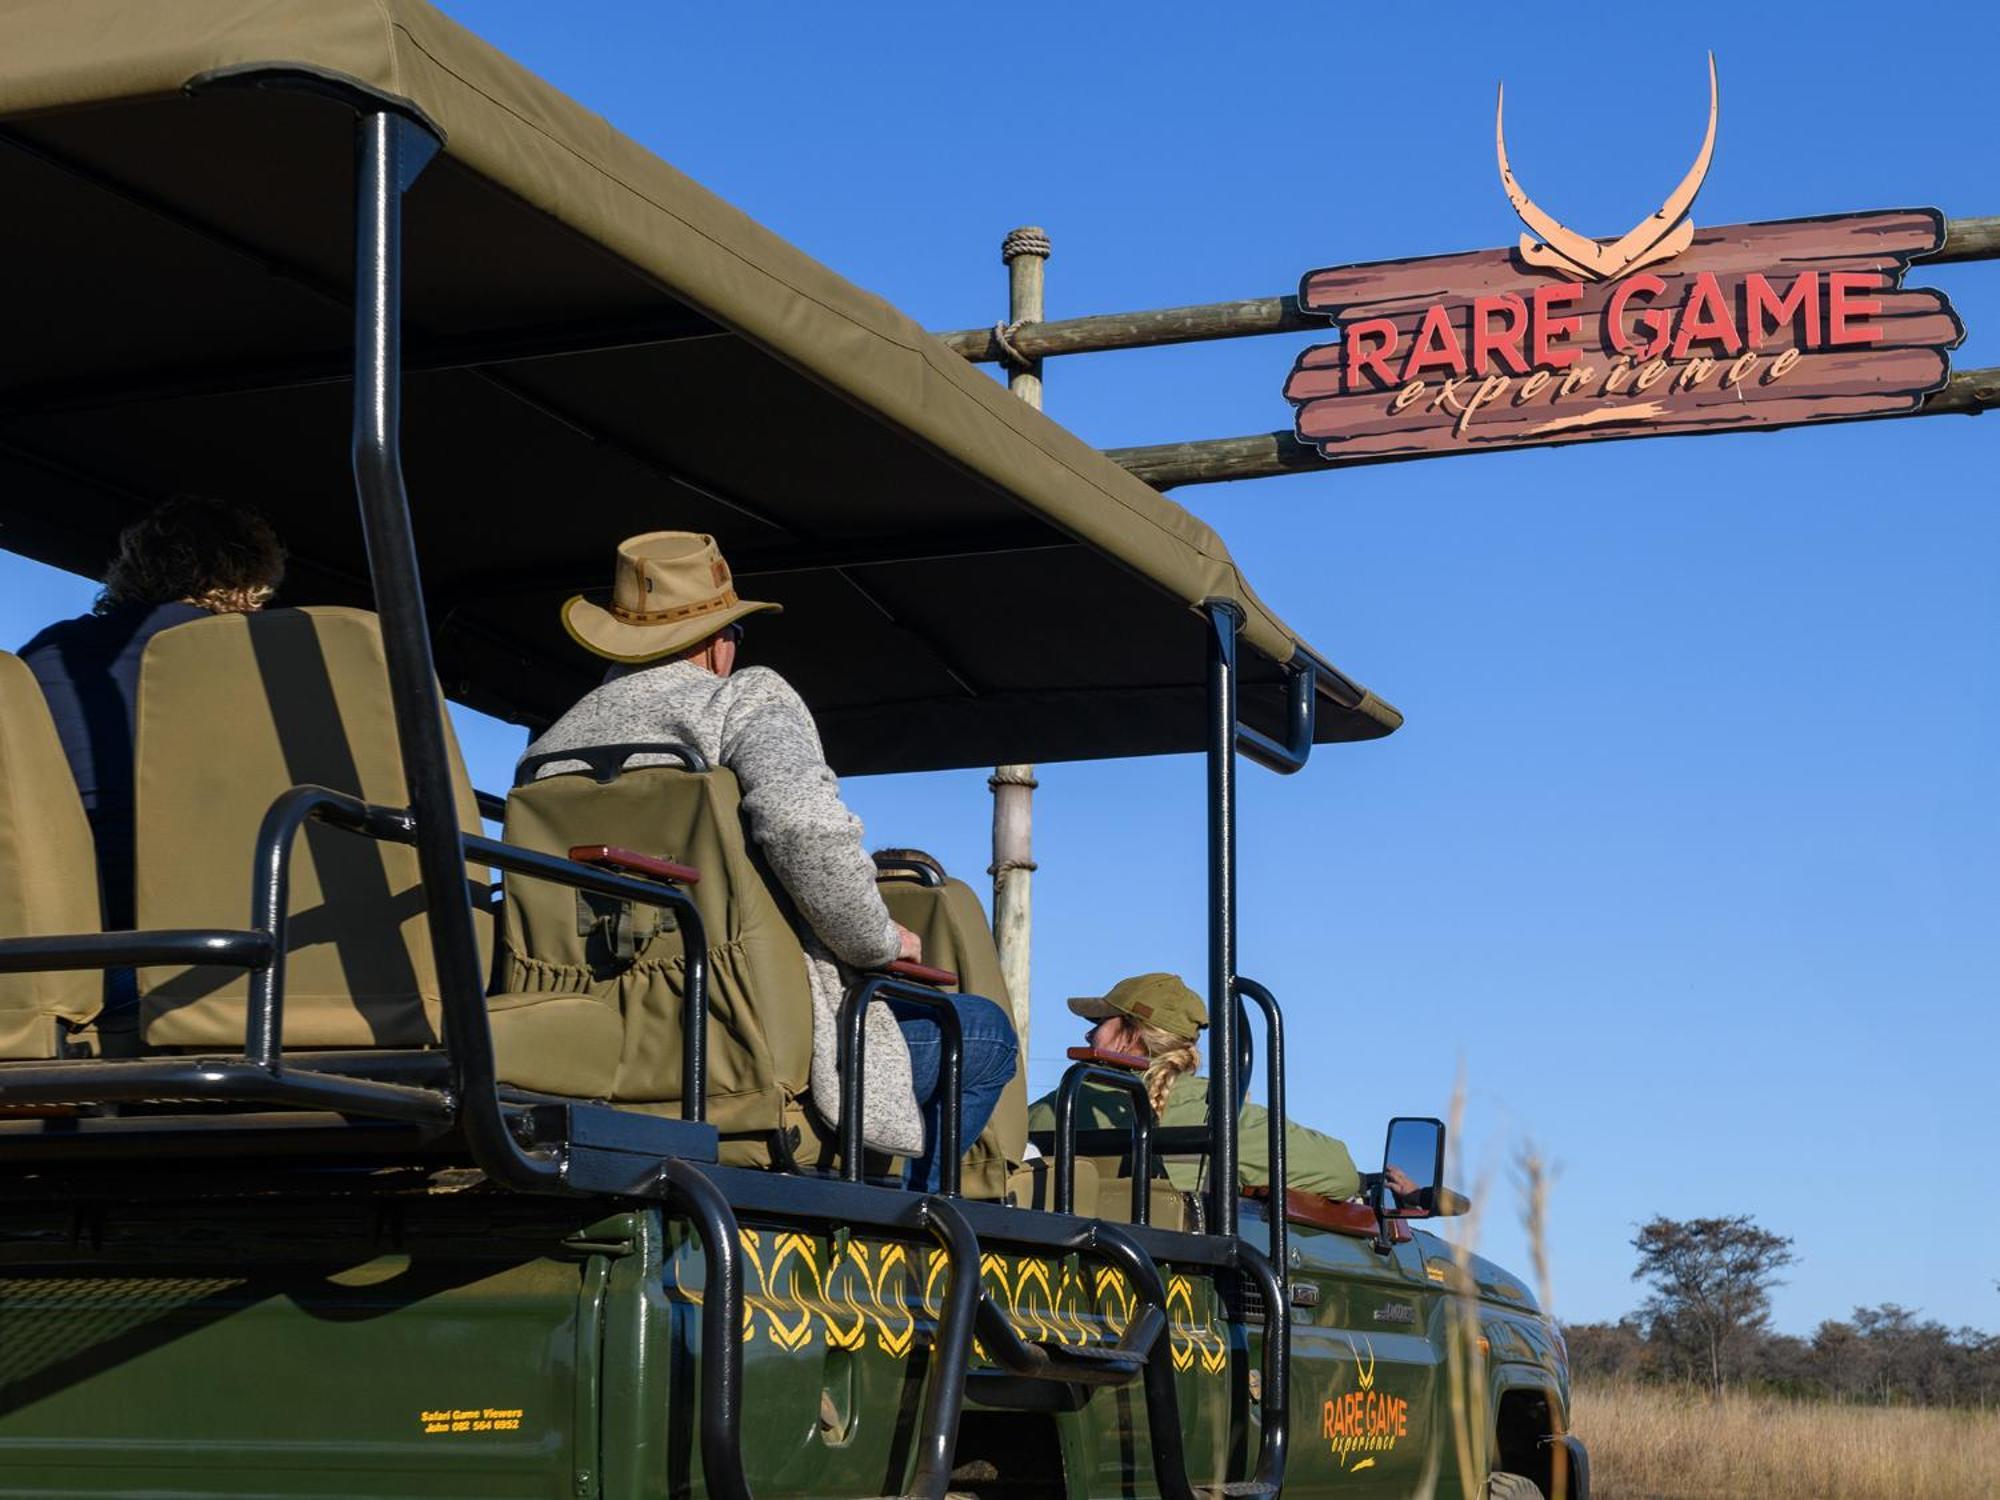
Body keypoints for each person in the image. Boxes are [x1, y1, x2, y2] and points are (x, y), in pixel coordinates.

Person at [524, 530, 1017, 1190]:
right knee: (983, 1035)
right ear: (717, 640)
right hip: (751, 1039)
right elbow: (803, 827)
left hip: (595, 1045)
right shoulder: (743, 697)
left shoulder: (552, 747)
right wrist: (874, 940)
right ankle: (910, 1235)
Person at [18, 496, 286, 1021]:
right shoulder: (259, 663)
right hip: (197, 968)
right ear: (253, 585)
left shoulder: (45, 656)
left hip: (45, 965)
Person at [1025, 971, 1361, 1200]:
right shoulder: (1218, 1111)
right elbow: (1340, 1173)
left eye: (1099, 1022)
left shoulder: (1053, 1109)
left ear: (1131, 1035)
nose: (1088, 1034)